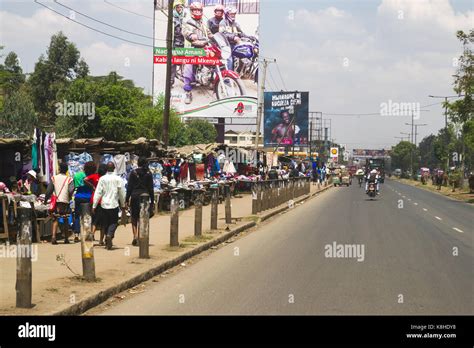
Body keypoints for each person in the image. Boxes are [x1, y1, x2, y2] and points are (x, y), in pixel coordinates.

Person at [182, 1, 213, 104]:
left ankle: (212, 81)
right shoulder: (188, 22)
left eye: (198, 10)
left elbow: (209, 33)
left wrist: (215, 37)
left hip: (203, 46)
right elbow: (186, 32)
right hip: (191, 48)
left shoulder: (203, 23)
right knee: (189, 66)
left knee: (215, 58)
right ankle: (187, 91)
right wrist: (191, 35)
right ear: (191, 11)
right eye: (195, 10)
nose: (197, 12)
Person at [92, 162, 126, 250]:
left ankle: (108, 241)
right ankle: (109, 235)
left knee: (105, 223)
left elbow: (98, 192)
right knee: (114, 222)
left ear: (106, 169)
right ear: (114, 168)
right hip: (114, 204)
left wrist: (94, 205)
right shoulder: (118, 179)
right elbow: (122, 193)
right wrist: (123, 204)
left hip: (103, 205)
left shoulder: (102, 179)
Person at [126, 157, 155, 246]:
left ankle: (135, 236)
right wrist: (152, 200)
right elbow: (151, 189)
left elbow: (129, 187)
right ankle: (140, 236)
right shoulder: (148, 173)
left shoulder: (133, 173)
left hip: (134, 196)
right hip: (145, 197)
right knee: (143, 217)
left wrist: (127, 199)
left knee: (134, 217)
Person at [45, 163, 74, 245]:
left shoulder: (54, 178)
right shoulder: (69, 179)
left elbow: (48, 191)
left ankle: (53, 237)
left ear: (59, 169)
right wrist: (69, 196)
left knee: (55, 219)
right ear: (67, 170)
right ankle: (66, 239)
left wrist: (46, 199)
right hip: (65, 202)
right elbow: (71, 190)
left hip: (56, 202)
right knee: (65, 219)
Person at [72, 162, 96, 243]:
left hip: (78, 196)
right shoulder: (92, 176)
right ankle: (88, 234)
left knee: (77, 216)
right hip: (88, 198)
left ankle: (76, 234)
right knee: (88, 216)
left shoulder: (77, 175)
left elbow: (75, 186)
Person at [85, 163, 107, 244]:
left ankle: (92, 235)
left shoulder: (94, 176)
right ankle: (101, 240)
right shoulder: (105, 178)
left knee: (94, 220)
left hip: (94, 200)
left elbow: (85, 179)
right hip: (103, 201)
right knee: (103, 222)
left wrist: (92, 186)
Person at [171, 0, 186, 88]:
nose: (179, 9)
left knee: (185, 62)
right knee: (173, 63)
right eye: (178, 7)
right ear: (175, 8)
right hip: (175, 43)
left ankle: (185, 78)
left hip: (184, 43)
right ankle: (171, 81)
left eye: (181, 7)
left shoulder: (185, 16)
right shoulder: (172, 18)